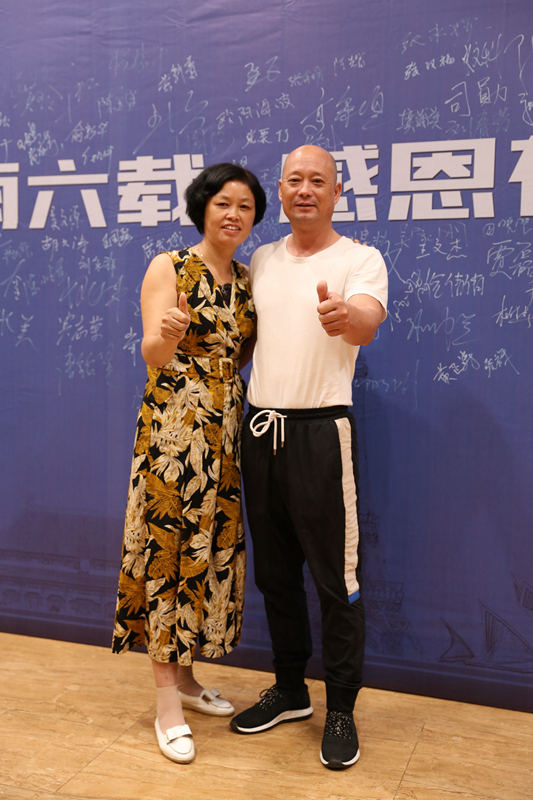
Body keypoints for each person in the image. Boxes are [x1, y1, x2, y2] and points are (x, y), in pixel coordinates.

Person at [230, 145, 388, 771]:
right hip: (259, 429)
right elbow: (245, 341)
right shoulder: (262, 260)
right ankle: (291, 689)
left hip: (322, 433)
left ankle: (341, 708)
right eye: (294, 179)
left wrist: (345, 316)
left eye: (317, 180)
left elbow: (367, 322)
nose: (304, 190)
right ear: (280, 189)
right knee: (275, 574)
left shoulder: (359, 259)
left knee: (336, 580)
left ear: (336, 192)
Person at [112, 163, 267, 764]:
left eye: (245, 207)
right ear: (203, 206)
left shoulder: (248, 279)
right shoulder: (170, 266)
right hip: (174, 435)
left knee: (208, 549)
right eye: (223, 203)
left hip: (226, 434)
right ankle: (165, 706)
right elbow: (152, 353)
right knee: (167, 551)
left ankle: (185, 677)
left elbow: (242, 352)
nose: (234, 214)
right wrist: (171, 333)